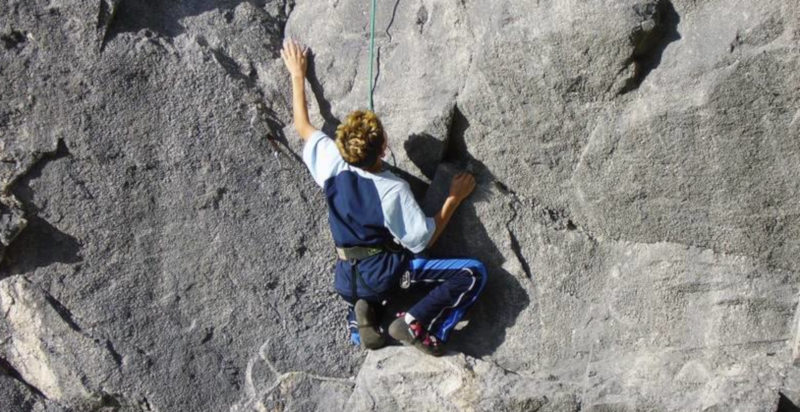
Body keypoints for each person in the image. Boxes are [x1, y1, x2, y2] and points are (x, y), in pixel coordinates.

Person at [281, 38, 487, 356]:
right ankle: (416, 324)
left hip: (346, 276)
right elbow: (424, 240)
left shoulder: (332, 164)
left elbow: (303, 126)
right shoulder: (391, 190)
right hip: (382, 273)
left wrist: (298, 75)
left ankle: (362, 313)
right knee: (472, 273)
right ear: (383, 147)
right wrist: (454, 197)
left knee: (376, 275)